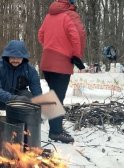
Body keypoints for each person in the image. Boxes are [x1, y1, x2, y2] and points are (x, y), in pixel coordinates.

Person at [38, 0, 86, 143]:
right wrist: (76, 55)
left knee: (52, 95)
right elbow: (78, 35)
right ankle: (56, 132)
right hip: (62, 62)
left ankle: (54, 126)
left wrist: (49, 46)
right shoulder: (70, 15)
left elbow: (40, 34)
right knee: (57, 98)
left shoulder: (49, 15)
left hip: (47, 61)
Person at [0, 40, 42, 110]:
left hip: (18, 104)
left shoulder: (30, 70)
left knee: (28, 95)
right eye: (13, 57)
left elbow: (36, 91)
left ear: (24, 57)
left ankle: (25, 119)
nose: (15, 60)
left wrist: (39, 105)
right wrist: (14, 99)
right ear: (7, 56)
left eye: (19, 57)